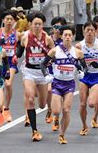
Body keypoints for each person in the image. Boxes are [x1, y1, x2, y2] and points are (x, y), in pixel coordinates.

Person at [40, 26, 86, 144]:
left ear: (73, 37)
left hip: (69, 83)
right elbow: (43, 64)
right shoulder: (55, 51)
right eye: (65, 35)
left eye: (70, 35)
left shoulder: (78, 53)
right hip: (57, 83)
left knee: (66, 110)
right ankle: (54, 116)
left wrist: (82, 73)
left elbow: (84, 67)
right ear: (61, 36)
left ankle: (62, 134)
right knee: (56, 111)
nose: (67, 37)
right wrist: (46, 75)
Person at [18, 12, 54, 141]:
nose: (37, 26)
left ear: (43, 25)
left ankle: (49, 110)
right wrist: (14, 58)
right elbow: (20, 49)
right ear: (30, 25)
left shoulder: (47, 39)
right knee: (31, 98)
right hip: (29, 71)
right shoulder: (25, 37)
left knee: (42, 104)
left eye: (39, 24)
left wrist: (51, 60)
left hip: (42, 73)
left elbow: (53, 52)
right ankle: (35, 131)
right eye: (35, 24)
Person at [75, 22, 98, 136]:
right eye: (87, 30)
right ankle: (84, 126)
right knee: (83, 104)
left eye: (92, 30)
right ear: (83, 31)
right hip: (85, 77)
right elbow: (74, 61)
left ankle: (95, 117)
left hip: (97, 75)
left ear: (96, 32)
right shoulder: (79, 46)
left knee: (92, 103)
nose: (89, 32)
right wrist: (80, 70)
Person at [44, 16, 67, 129]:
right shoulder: (48, 39)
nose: (58, 29)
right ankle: (49, 108)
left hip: (61, 70)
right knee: (49, 90)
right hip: (49, 69)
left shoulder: (65, 41)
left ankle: (56, 119)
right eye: (55, 26)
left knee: (60, 95)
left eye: (60, 27)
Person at [0, 11, 20, 123]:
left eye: (11, 19)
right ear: (3, 20)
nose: (9, 21)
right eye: (7, 19)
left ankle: (6, 108)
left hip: (11, 62)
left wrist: (17, 55)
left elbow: (22, 46)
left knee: (8, 84)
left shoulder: (17, 34)